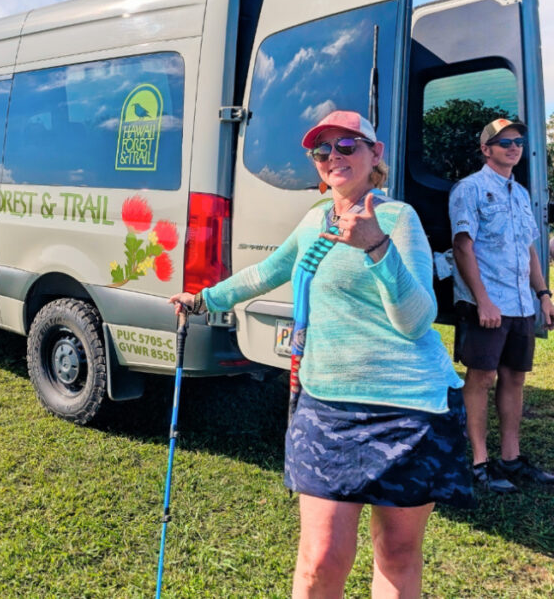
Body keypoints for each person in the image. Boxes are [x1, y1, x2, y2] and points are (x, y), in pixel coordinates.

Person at [170, 110, 471, 599]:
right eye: (322, 150)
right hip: (328, 404)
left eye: (348, 145)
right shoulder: (314, 222)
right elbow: (263, 273)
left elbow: (417, 320)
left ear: (376, 155)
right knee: (319, 560)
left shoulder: (398, 219)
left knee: (396, 554)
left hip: (408, 408)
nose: (334, 156)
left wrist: (376, 247)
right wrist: (205, 299)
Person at [448, 117, 554, 493]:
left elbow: (529, 250)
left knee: (515, 378)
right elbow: (463, 247)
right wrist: (483, 301)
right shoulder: (469, 189)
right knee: (480, 379)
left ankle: (510, 458)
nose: (514, 147)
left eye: (518, 141)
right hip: (487, 305)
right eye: (504, 141)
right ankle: (478, 462)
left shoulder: (521, 194)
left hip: (522, 304)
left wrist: (543, 295)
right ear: (486, 149)